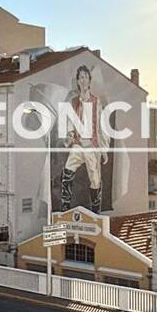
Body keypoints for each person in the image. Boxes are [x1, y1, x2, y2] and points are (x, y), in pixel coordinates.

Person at [59, 65, 109, 213]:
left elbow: (101, 126)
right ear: (77, 81)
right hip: (78, 145)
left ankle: (95, 210)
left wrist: (104, 149)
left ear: (89, 81)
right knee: (67, 172)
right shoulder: (74, 102)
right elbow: (70, 123)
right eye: (80, 77)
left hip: (92, 146)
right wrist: (69, 135)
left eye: (86, 77)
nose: (83, 80)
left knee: (95, 180)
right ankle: (65, 206)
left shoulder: (96, 102)